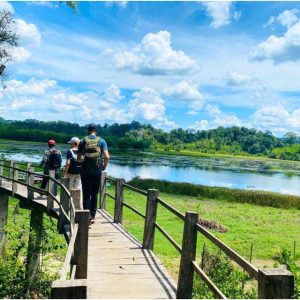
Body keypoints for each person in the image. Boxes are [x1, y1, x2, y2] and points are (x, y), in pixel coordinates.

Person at [77, 123, 110, 227]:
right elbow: (107, 157)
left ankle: (87, 217)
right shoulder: (102, 141)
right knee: (94, 194)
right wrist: (103, 166)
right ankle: (93, 216)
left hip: (85, 171)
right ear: (96, 130)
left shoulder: (83, 141)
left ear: (88, 130)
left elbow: (79, 158)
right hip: (97, 171)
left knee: (86, 193)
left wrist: (84, 160)